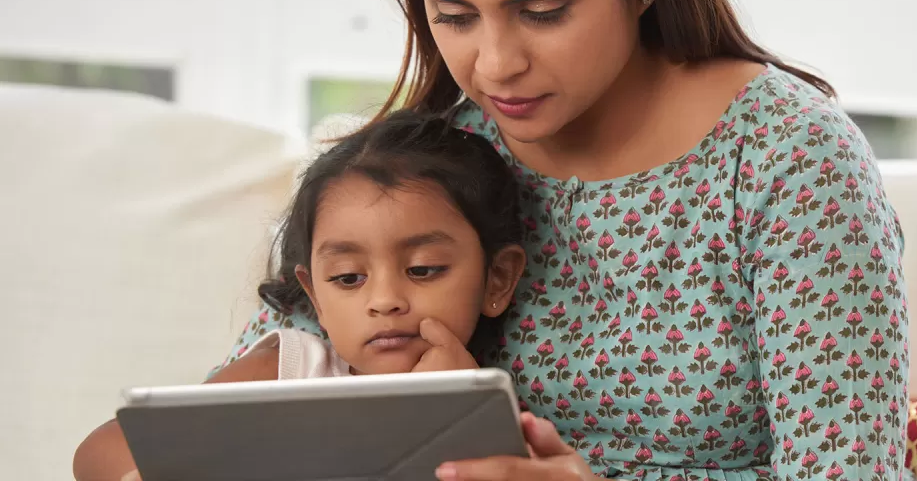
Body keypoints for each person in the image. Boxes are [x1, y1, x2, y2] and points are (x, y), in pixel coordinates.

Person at [77, 0, 910, 479]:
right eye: (453, 14)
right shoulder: (419, 162)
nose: (496, 63)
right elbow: (225, 421)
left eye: (543, 10)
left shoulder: (787, 164)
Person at [73, 111, 570, 480]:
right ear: (313, 294)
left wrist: (455, 412)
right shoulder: (289, 369)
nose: (385, 300)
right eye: (348, 278)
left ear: (497, 280)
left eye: (423, 269)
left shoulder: (496, 414)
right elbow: (98, 453)